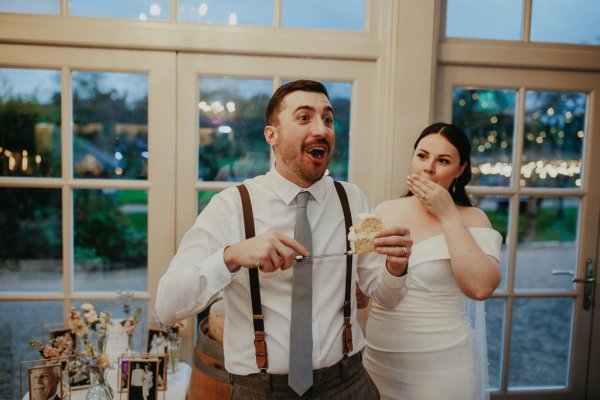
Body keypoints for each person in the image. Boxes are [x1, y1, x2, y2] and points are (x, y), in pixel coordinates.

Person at [155, 79, 412, 399]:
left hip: (348, 383)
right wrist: (230, 256)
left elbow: (385, 297)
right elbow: (166, 306)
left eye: (328, 119)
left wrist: (396, 269)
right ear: (271, 135)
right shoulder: (232, 206)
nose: (321, 129)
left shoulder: (352, 200)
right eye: (304, 117)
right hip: (261, 390)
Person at [362, 122, 502, 400]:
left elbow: (481, 288)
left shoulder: (474, 220)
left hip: (442, 365)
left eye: (443, 161)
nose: (428, 168)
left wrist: (449, 214)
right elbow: (370, 292)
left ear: (460, 170)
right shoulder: (381, 211)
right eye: (422, 156)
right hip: (379, 360)